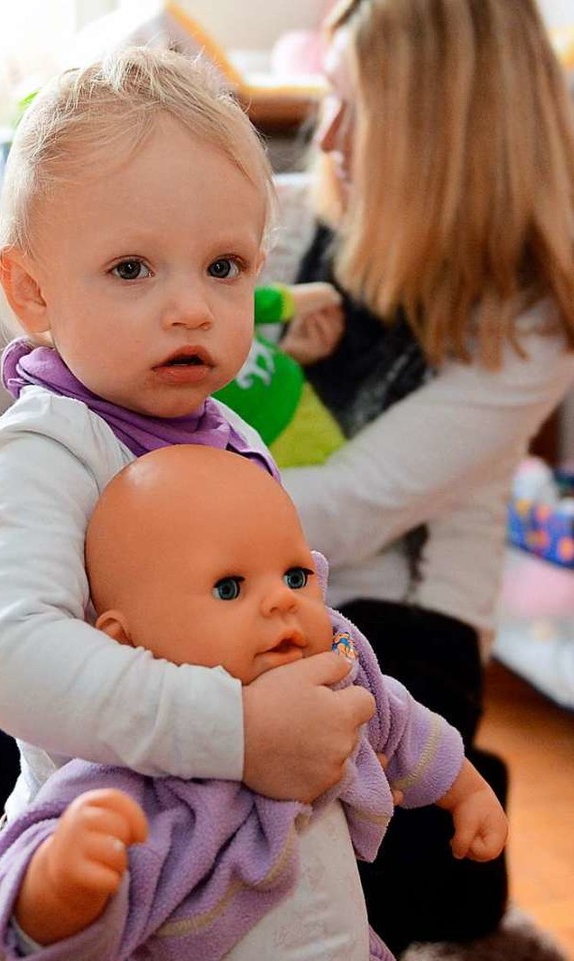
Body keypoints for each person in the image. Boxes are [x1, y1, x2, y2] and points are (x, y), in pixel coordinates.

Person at [0, 48, 374, 959]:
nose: (190, 307)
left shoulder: (235, 437)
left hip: (262, 852)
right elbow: (3, 648)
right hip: (115, 867)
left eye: (223, 267)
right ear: (32, 291)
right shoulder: (50, 448)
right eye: (133, 267)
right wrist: (237, 730)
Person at [275, 0, 574, 953]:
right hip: (248, 584)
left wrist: (142, 519)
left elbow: (345, 510)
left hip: (395, 633)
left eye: (357, 109)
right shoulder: (315, 227)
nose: (326, 137)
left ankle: (442, 828)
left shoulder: (529, 320)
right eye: (329, 98)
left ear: (444, 132)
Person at [0, 446, 508, 961]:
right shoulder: (137, 775)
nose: (282, 599)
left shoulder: (333, 691)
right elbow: (25, 917)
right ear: (126, 644)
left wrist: (465, 791)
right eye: (229, 588)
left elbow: (398, 719)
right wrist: (62, 883)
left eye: (296, 576)